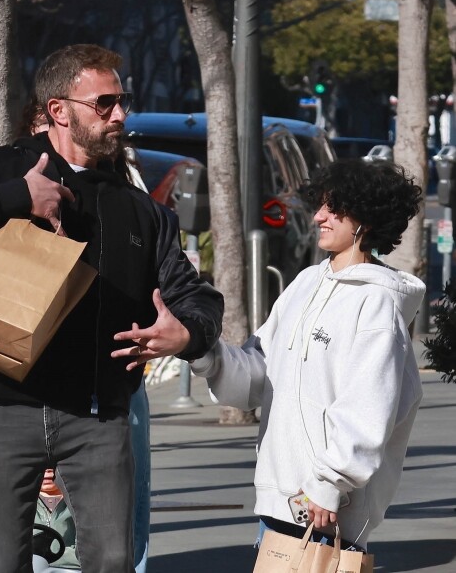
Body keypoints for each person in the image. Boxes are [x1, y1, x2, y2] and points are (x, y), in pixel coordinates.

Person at [0, 44, 223, 573]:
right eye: (105, 102)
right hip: (1, 407)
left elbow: (194, 296)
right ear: (59, 110)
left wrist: (186, 334)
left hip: (98, 415)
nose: (120, 113)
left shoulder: (138, 208)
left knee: (113, 561)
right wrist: (12, 198)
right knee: (1, 564)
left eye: (123, 101)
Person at [130, 158, 423, 551]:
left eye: (333, 208)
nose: (319, 215)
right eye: (320, 204)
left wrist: (328, 486)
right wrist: (195, 347)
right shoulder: (306, 283)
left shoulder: (377, 308)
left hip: (327, 511)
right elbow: (257, 376)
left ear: (365, 219)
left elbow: (367, 409)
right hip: (278, 504)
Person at [16, 96, 151, 573]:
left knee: (118, 516)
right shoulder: (15, 183)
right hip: (32, 374)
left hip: (111, 377)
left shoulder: (125, 194)